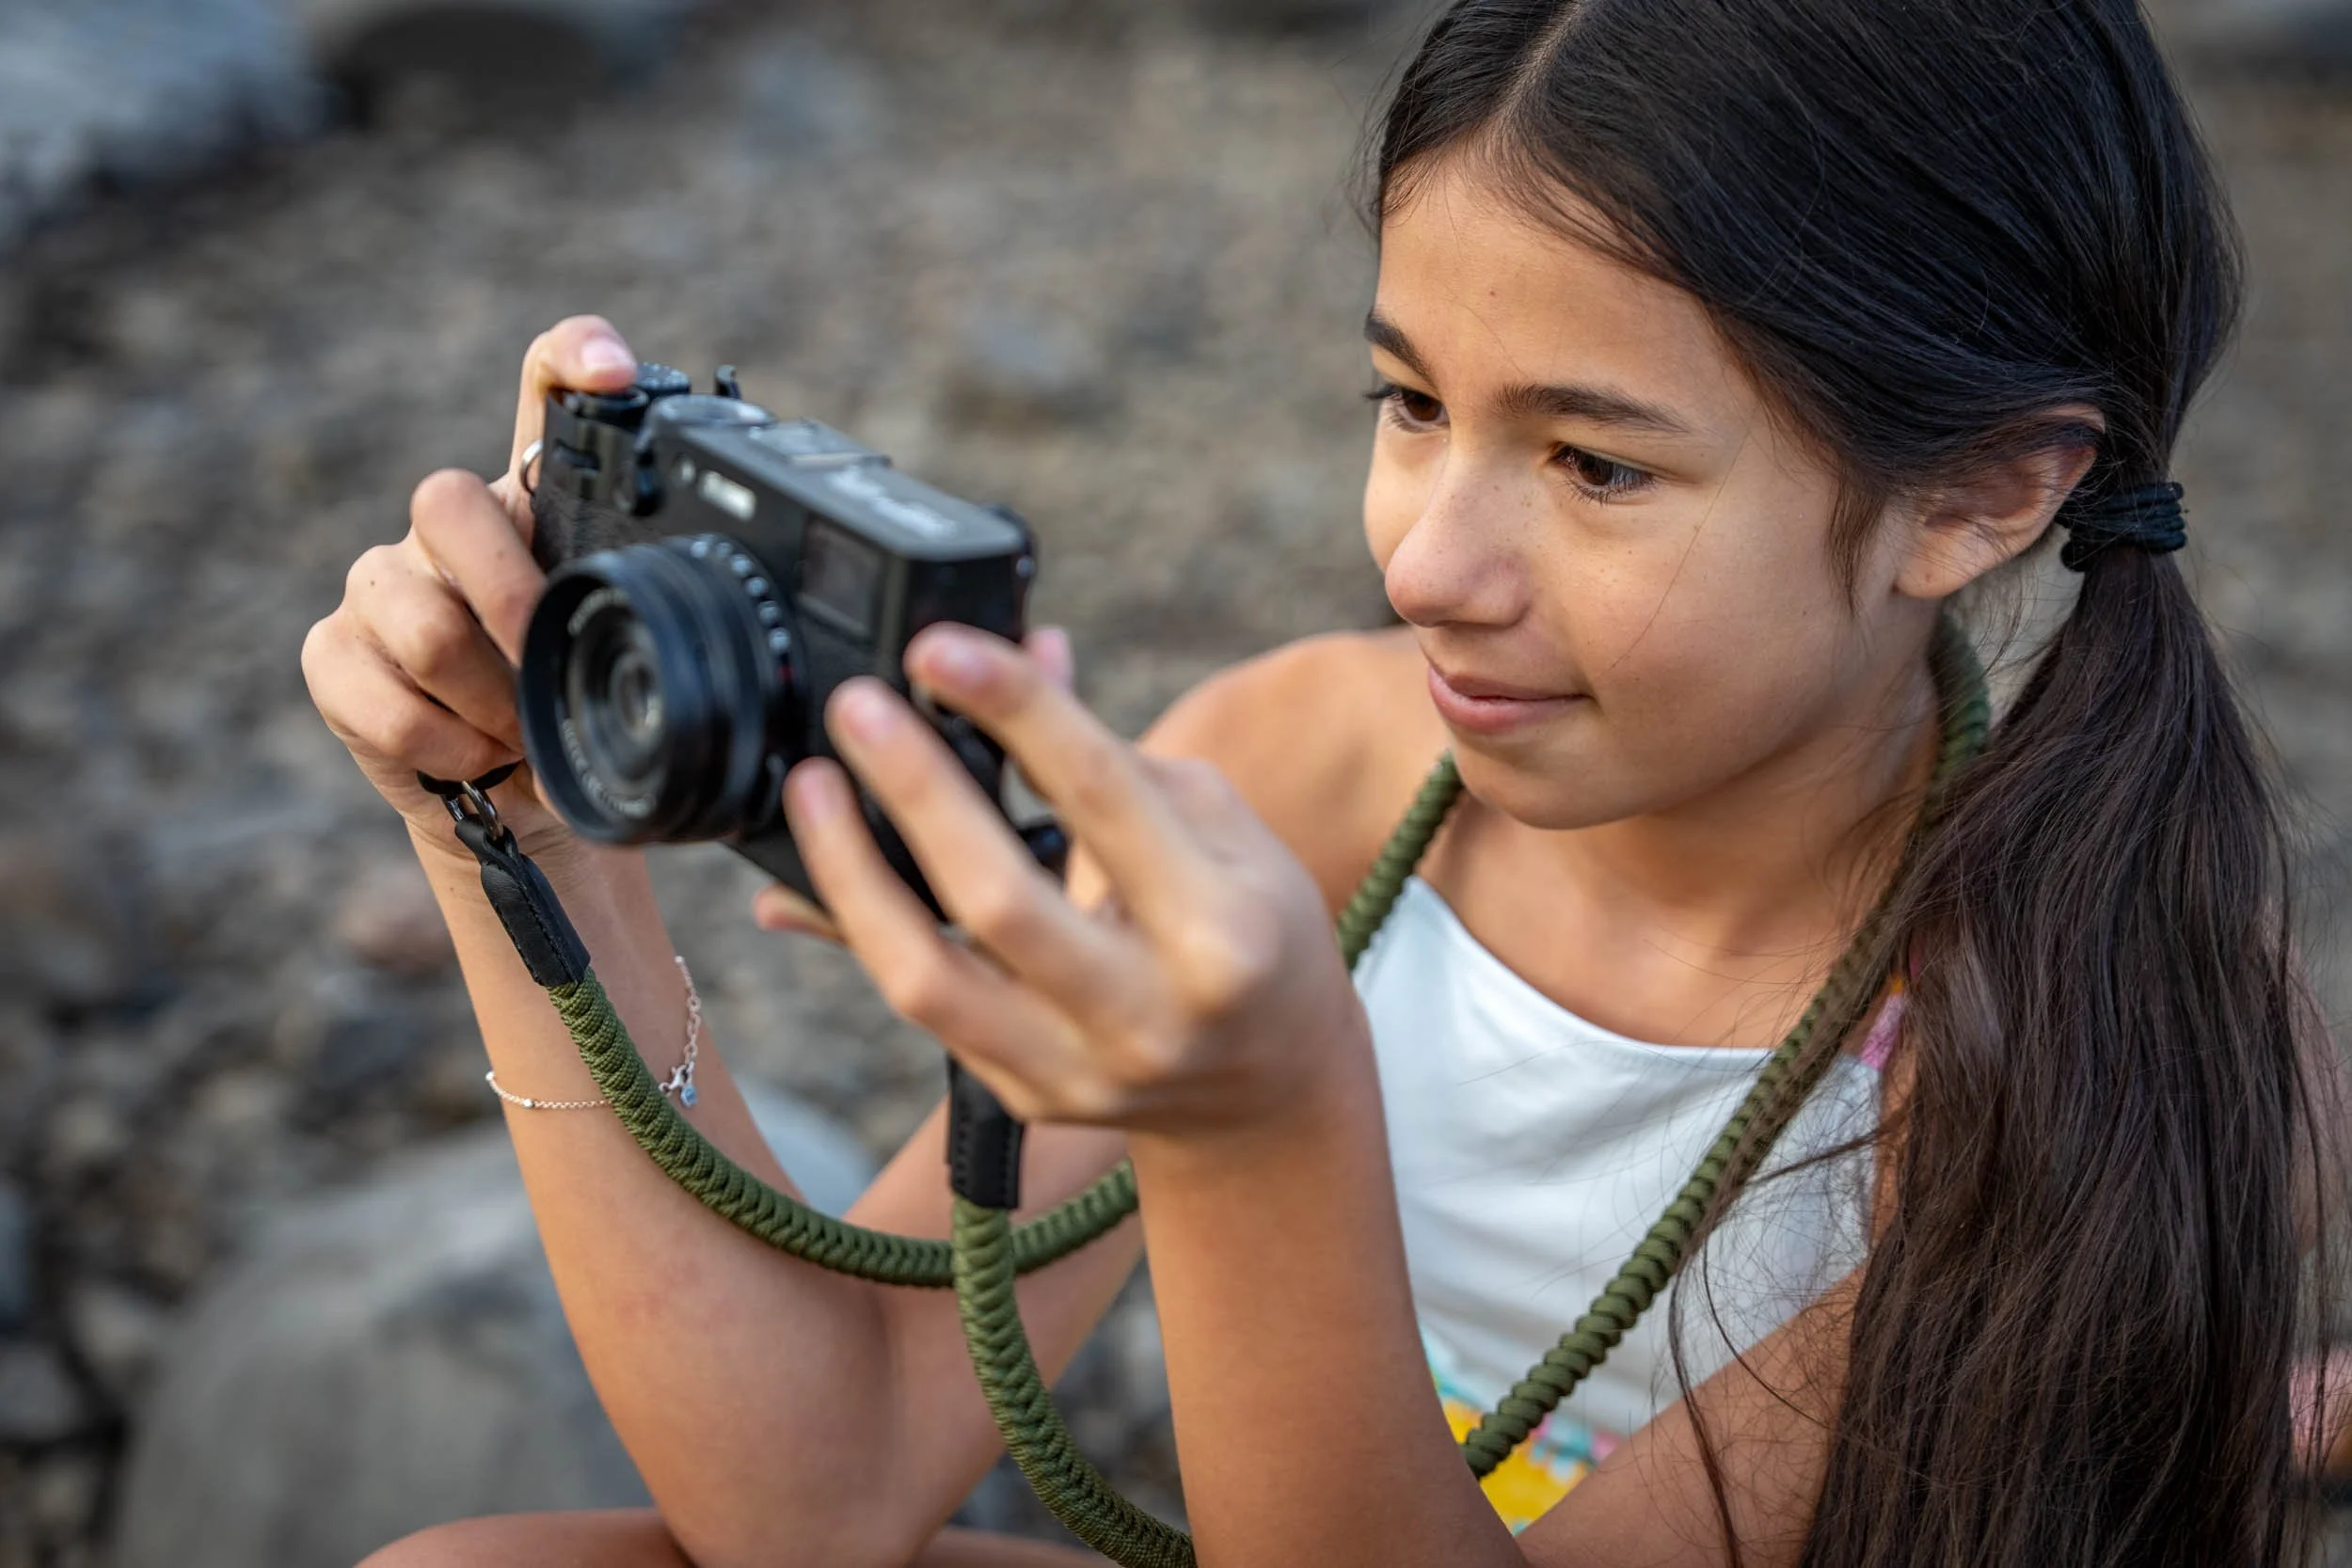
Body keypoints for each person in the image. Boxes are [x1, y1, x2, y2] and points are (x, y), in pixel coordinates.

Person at [303, 0, 2352, 1562]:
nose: (1419, 561)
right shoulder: (1297, 767)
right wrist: (515, 831)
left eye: (1594, 462)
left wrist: (1256, 1126)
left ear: (1981, 491)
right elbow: (814, 1480)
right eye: (1407, 400)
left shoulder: (2082, 1043)